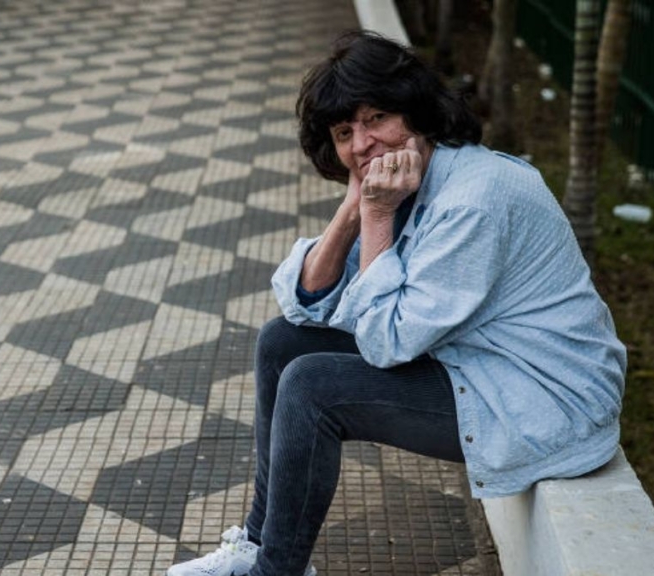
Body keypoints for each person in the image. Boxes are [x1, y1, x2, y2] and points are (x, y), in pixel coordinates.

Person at [166, 30, 627, 576]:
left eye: (376, 118)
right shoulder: (410, 179)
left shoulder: (472, 200)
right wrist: (354, 207)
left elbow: (385, 343)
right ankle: (258, 544)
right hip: (480, 364)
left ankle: (278, 570)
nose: (363, 143)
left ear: (416, 112)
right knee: (281, 342)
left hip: (544, 398)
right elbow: (304, 302)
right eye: (344, 133)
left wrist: (378, 215)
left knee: (313, 386)